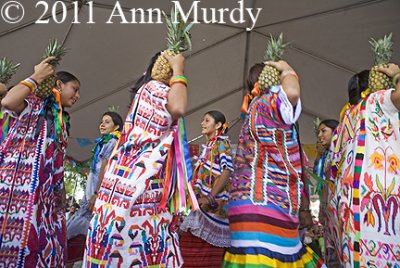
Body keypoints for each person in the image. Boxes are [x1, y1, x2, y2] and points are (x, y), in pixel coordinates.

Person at [83, 52, 190, 267]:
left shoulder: (144, 93)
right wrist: (179, 70)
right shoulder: (154, 89)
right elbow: (178, 108)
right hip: (139, 185)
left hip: (127, 182)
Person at [223, 61, 325, 267]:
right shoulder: (270, 103)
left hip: (245, 204)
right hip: (266, 204)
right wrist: (287, 68)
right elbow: (293, 94)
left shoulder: (253, 108)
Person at [0, 57, 81, 267]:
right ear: (59, 85)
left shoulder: (61, 120)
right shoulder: (33, 103)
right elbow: (8, 102)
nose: (78, 95)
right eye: (75, 89)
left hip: (45, 200)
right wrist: (37, 76)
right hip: (18, 190)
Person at [328, 63, 400, 267]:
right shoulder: (375, 103)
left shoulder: (344, 123)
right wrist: (396, 74)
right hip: (378, 217)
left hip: (349, 219)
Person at [66, 111, 123, 267]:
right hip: (93, 190)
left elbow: (104, 168)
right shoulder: (105, 142)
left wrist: (96, 193)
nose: (102, 124)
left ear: (116, 126)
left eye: (107, 122)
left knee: (76, 231)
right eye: (102, 121)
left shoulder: (112, 142)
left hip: (98, 193)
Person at [180, 110, 233, 267]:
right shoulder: (209, 146)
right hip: (201, 205)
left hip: (212, 207)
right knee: (190, 250)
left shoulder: (222, 143)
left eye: (206, 120)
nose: (202, 123)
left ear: (217, 125)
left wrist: (210, 197)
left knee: (202, 255)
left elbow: (227, 170)